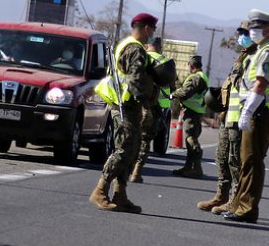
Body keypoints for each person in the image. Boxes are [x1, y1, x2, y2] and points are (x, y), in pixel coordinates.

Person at [88, 12, 158, 213]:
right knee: (124, 150)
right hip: (126, 106)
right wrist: (145, 106)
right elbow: (135, 79)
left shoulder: (125, 44)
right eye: (152, 29)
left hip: (126, 105)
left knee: (132, 150)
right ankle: (100, 190)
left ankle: (120, 194)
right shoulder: (135, 49)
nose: (152, 33)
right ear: (146, 28)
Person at [222, 9, 269, 224]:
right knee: (247, 160)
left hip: (261, 111)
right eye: (252, 28)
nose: (253, 32)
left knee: (251, 161)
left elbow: (261, 84)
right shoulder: (262, 49)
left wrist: (247, 110)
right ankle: (240, 205)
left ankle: (247, 208)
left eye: (257, 28)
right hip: (260, 110)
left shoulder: (268, 51)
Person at [197, 21, 257, 213]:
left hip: (240, 118)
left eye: (245, 33)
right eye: (240, 33)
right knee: (221, 157)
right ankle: (221, 196)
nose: (241, 37)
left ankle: (235, 200)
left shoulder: (256, 57)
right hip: (228, 116)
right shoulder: (242, 57)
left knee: (235, 161)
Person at [130, 41, 175, 183]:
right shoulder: (166, 61)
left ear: (147, 45)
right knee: (145, 139)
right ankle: (137, 170)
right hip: (157, 105)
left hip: (135, 103)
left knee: (131, 136)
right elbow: (172, 85)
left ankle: (127, 166)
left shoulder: (139, 57)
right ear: (159, 46)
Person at [170, 55, 209, 178]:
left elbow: (186, 92)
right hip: (196, 111)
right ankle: (188, 167)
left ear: (191, 65)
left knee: (191, 138)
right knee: (189, 138)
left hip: (192, 112)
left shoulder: (195, 77)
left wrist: (173, 94)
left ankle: (197, 169)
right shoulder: (203, 76)